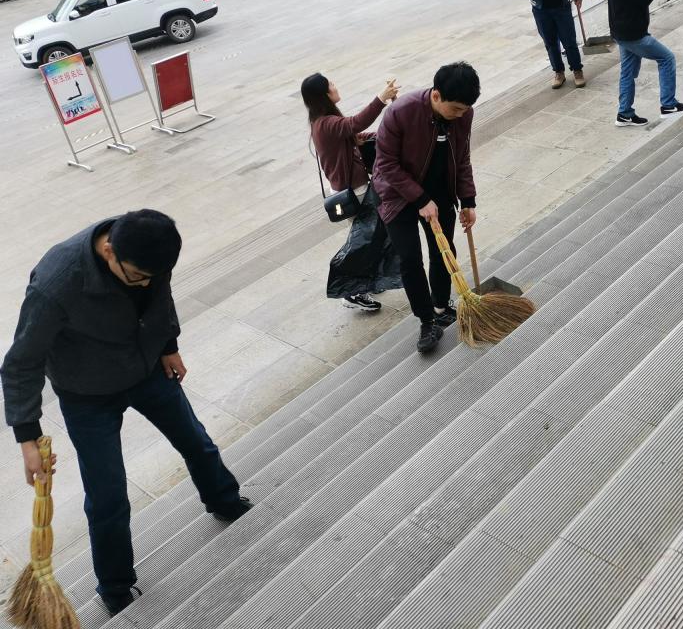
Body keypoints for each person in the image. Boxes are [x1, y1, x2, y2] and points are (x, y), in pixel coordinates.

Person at [0, 210, 251, 617]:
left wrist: (168, 345)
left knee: (196, 441)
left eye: (154, 275)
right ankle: (115, 586)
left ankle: (225, 501)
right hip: (87, 395)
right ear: (109, 251)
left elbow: (159, 297)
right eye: (136, 276)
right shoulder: (56, 282)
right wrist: (27, 436)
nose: (146, 282)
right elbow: (20, 363)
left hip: (146, 369)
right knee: (107, 495)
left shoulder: (151, 246)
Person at [373, 62, 479, 353]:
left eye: (465, 110)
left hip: (439, 190)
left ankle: (441, 305)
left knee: (443, 250)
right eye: (455, 109)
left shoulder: (463, 114)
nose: (460, 115)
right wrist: (420, 200)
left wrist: (468, 200)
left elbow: (462, 156)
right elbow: (386, 165)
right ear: (436, 96)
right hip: (396, 194)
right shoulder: (400, 113)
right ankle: (427, 320)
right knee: (410, 259)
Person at [304, 73, 401, 311]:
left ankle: (366, 281)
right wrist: (381, 98)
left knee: (370, 238)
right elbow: (356, 123)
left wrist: (384, 135)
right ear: (323, 95)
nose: (335, 86)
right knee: (364, 242)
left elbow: (355, 135)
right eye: (331, 85)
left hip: (354, 188)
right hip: (354, 192)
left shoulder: (324, 121)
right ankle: (352, 291)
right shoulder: (326, 124)